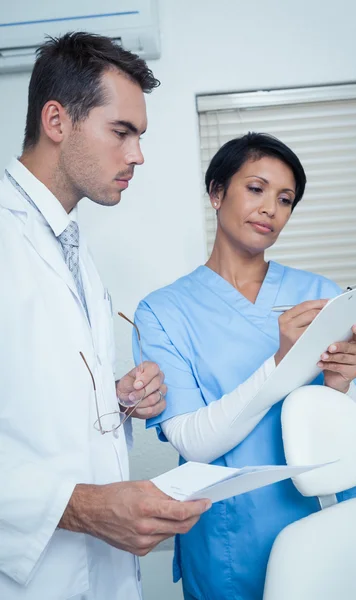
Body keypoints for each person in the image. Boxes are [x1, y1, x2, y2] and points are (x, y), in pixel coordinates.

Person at [0, 32, 211, 600]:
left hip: (100, 574)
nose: (138, 155)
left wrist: (115, 400)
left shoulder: (72, 247)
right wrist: (86, 508)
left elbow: (31, 405)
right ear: (57, 120)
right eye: (122, 132)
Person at [132, 132, 356, 600]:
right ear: (216, 192)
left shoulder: (322, 295)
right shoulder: (163, 312)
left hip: (333, 527)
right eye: (256, 189)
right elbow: (194, 440)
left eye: (285, 199)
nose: (271, 208)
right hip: (232, 543)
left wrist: (342, 388)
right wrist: (281, 364)